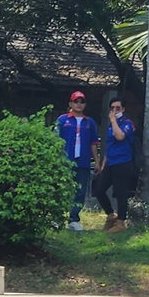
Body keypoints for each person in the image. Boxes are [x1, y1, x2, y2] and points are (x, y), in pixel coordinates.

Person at [55, 90, 100, 231]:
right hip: (65, 161)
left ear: (85, 105)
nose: (79, 104)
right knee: (62, 190)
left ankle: (73, 219)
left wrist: (97, 161)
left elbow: (93, 143)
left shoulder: (90, 122)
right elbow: (55, 141)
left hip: (83, 161)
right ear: (70, 103)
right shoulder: (63, 120)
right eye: (76, 101)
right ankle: (57, 218)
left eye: (82, 102)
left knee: (80, 192)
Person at [94, 97, 138, 233]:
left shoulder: (127, 123)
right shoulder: (110, 126)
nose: (114, 111)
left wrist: (113, 120)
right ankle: (111, 215)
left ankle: (120, 223)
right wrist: (104, 162)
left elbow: (120, 137)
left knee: (120, 193)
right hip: (110, 162)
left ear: (123, 109)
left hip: (123, 162)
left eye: (117, 108)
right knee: (99, 190)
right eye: (112, 108)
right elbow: (110, 144)